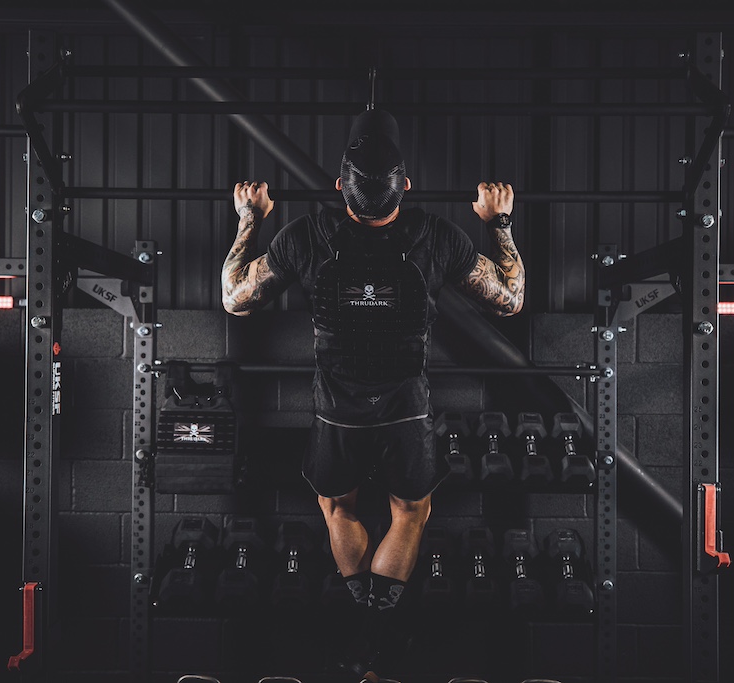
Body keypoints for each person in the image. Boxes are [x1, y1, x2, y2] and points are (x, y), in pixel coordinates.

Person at [220, 108, 525, 681]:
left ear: (341, 188)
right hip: (406, 407)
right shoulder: (436, 236)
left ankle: (365, 622)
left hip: (336, 409)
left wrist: (249, 219)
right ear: (404, 187)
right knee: (411, 513)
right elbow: (511, 298)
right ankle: (379, 629)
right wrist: (499, 220)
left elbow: (235, 297)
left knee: (338, 508)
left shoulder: (307, 236)